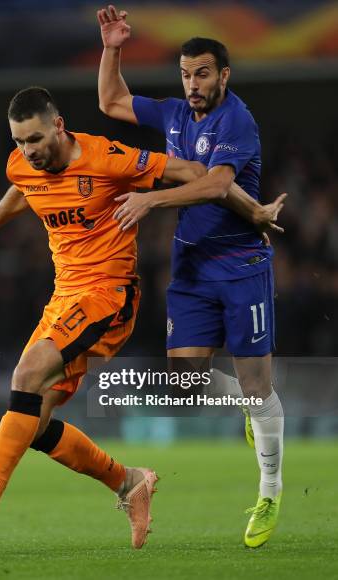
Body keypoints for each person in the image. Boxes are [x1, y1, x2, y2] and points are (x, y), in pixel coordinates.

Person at [0, 87, 280, 549]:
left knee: (26, 374)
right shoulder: (22, 165)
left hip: (109, 295)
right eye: (18, 142)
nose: (27, 151)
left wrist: (250, 210)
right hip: (64, 298)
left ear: (58, 125)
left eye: (34, 139)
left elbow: (193, 172)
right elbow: (23, 189)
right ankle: (128, 482)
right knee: (33, 419)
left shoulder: (106, 158)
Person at [97, 5, 285, 548]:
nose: (193, 84)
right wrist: (113, 48)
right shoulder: (176, 113)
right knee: (185, 384)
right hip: (192, 267)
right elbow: (110, 101)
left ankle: (270, 488)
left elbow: (214, 183)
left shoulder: (237, 120)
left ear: (223, 75)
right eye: (185, 74)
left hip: (241, 268)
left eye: (202, 73)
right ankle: (255, 408)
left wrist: (151, 199)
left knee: (257, 383)